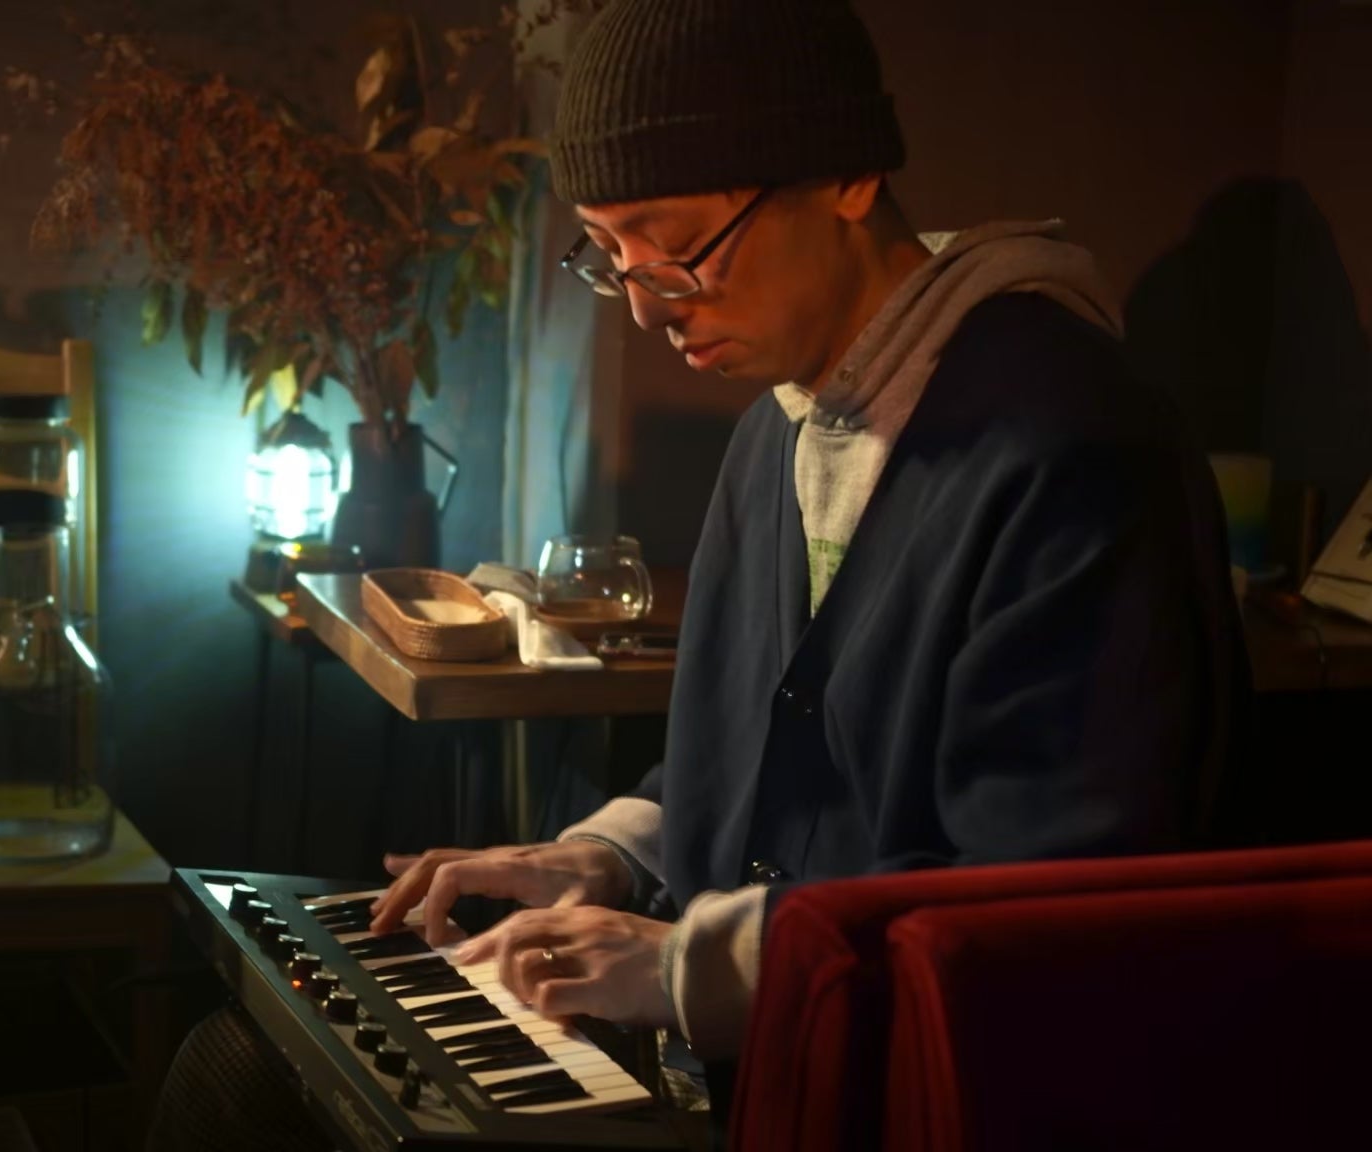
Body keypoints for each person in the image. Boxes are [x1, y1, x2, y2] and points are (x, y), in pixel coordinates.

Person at [149, 0, 1247, 1145]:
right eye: (608, 255)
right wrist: (602, 856)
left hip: (905, 1096)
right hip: (742, 1057)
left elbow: (1039, 904)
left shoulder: (1068, 448)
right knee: (242, 1063)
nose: (644, 306)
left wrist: (685, 966)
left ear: (845, 174)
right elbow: (761, 759)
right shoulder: (779, 428)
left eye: (674, 246)